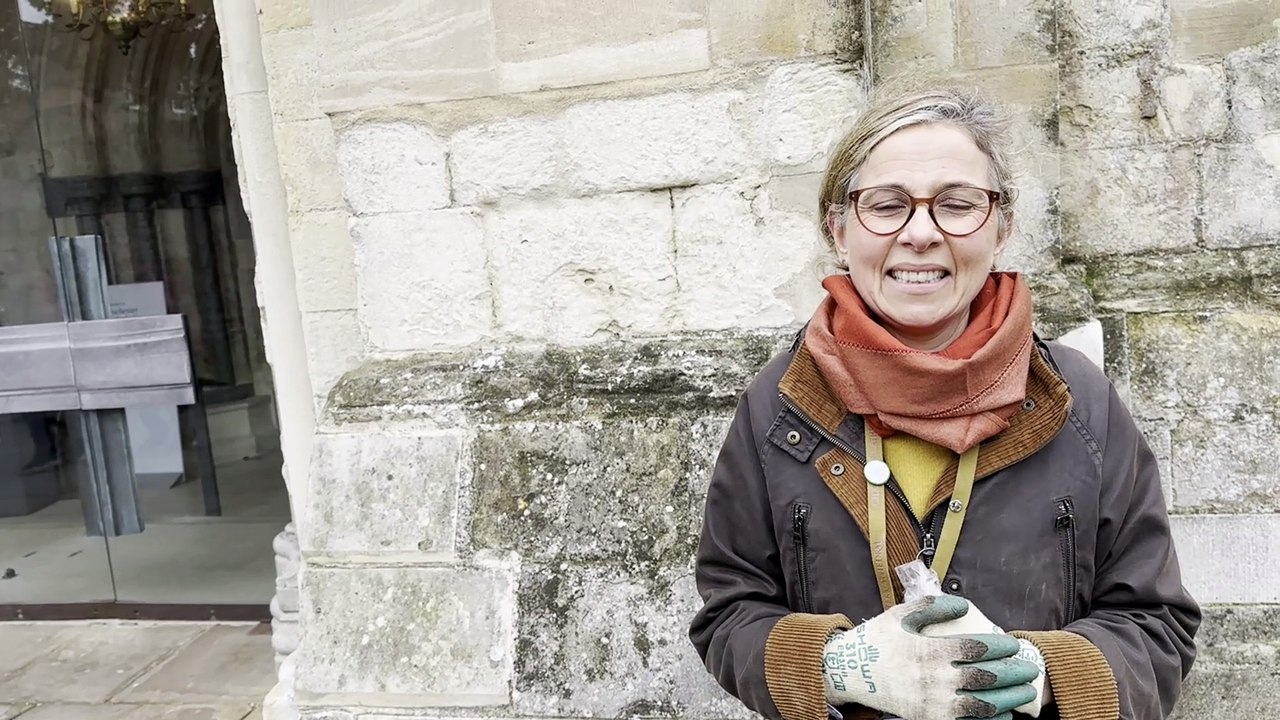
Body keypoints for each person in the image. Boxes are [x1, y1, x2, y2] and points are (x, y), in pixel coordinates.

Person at [688, 85, 1199, 720]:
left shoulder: (1078, 403)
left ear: (1001, 228)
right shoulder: (780, 404)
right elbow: (730, 611)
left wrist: (1045, 674)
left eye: (957, 205)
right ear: (838, 231)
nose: (921, 234)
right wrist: (839, 666)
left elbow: (1156, 623)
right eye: (886, 205)